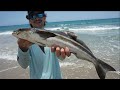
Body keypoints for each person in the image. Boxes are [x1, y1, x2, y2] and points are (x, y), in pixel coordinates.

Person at [17, 11, 72, 79]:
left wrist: (62, 54)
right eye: (32, 16)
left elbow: (61, 58)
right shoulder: (25, 41)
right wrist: (23, 48)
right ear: (29, 21)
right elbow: (24, 65)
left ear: (44, 18)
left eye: (39, 15)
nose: (36, 18)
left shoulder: (53, 36)